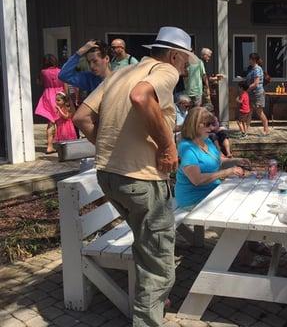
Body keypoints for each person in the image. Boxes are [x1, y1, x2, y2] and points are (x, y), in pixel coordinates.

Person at [73, 26, 195, 326]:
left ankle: (153, 299)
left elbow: (82, 118)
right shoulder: (165, 70)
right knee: (160, 264)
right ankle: (148, 317)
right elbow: (141, 97)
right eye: (185, 61)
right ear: (174, 55)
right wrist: (167, 146)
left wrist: (109, 147)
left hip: (110, 177)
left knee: (147, 246)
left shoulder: (119, 73)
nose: (185, 67)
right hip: (142, 180)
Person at [174, 107, 248, 209]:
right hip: (194, 199)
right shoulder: (187, 148)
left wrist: (237, 161)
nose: (211, 128)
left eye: (212, 124)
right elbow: (197, 180)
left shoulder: (207, 141)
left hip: (213, 192)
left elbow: (218, 161)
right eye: (207, 124)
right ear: (195, 125)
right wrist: (227, 172)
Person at [34, 54, 68, 154]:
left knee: (51, 122)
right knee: (62, 122)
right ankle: (63, 145)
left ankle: (49, 146)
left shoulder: (43, 72)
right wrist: (67, 97)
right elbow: (65, 84)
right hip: (60, 95)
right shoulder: (60, 71)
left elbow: (39, 83)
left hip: (48, 96)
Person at [246, 53, 269, 135]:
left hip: (257, 94)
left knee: (259, 112)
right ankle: (246, 130)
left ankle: (266, 130)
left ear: (254, 60)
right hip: (251, 93)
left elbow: (256, 83)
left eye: (250, 59)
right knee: (249, 111)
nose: (249, 61)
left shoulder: (257, 69)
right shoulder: (252, 69)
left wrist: (247, 89)